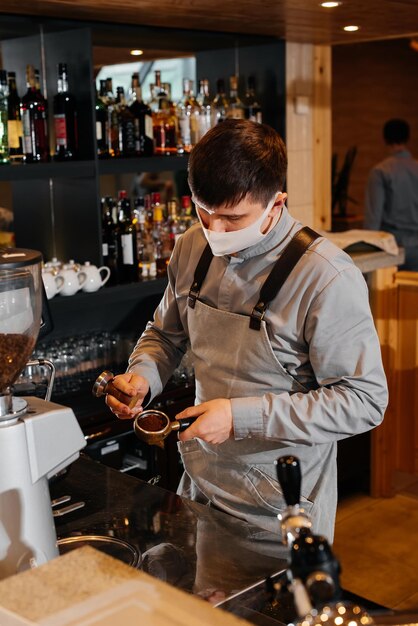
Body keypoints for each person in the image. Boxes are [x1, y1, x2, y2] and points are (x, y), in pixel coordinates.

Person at [106, 119, 388, 543]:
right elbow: (165, 334)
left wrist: (240, 418)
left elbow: (364, 401)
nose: (215, 231)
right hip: (199, 481)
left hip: (282, 505)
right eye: (205, 212)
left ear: (276, 203)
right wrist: (143, 375)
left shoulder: (325, 276)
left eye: (233, 218)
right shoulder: (190, 247)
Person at [364, 118, 418, 271]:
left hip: (392, 249)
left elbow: (373, 219)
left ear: (385, 139)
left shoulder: (381, 172)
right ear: (407, 138)